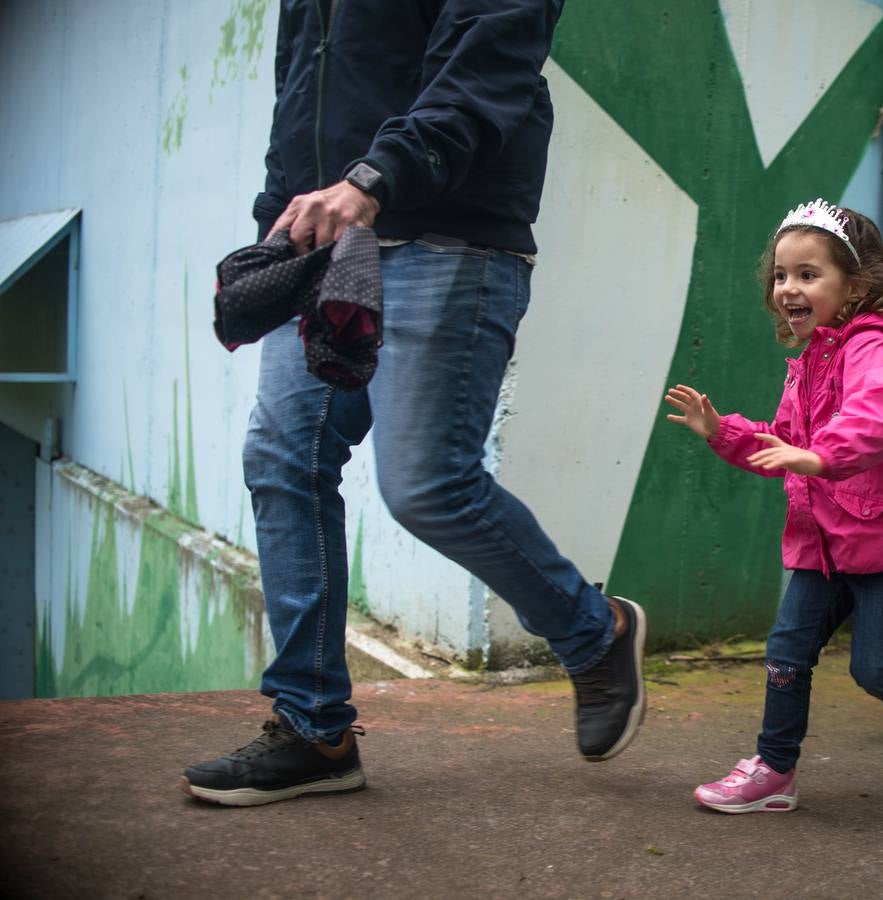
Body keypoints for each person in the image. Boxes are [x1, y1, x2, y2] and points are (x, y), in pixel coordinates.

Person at [181, 0, 647, 807]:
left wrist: (373, 177)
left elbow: (489, 60)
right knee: (283, 457)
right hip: (326, 246)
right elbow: (301, 95)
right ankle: (313, 728)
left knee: (427, 483)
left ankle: (592, 631)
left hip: (448, 235)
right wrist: (276, 225)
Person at [665, 199, 883, 813]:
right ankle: (775, 771)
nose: (788, 288)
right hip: (821, 544)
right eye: (781, 275)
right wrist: (722, 431)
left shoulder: (876, 346)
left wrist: (817, 457)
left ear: (854, 284)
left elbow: (871, 424)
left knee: (875, 669)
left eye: (808, 274)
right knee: (785, 656)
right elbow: (782, 444)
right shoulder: (809, 362)